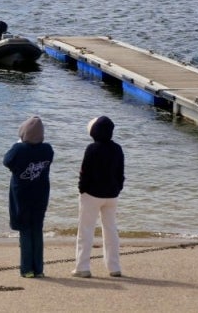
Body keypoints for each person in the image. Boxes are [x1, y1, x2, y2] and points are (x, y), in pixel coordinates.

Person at [72, 115, 124, 278]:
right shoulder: (117, 148)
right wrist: (118, 188)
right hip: (112, 195)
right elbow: (120, 173)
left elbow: (84, 172)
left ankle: (82, 267)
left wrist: (82, 189)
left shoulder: (92, 149)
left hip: (92, 194)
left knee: (86, 230)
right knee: (110, 229)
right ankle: (114, 267)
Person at [3, 115, 54, 278]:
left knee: (25, 230)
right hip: (41, 194)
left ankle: (27, 269)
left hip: (22, 195)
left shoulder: (19, 149)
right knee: (37, 229)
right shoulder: (47, 149)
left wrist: (18, 144)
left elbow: (7, 161)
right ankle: (38, 268)